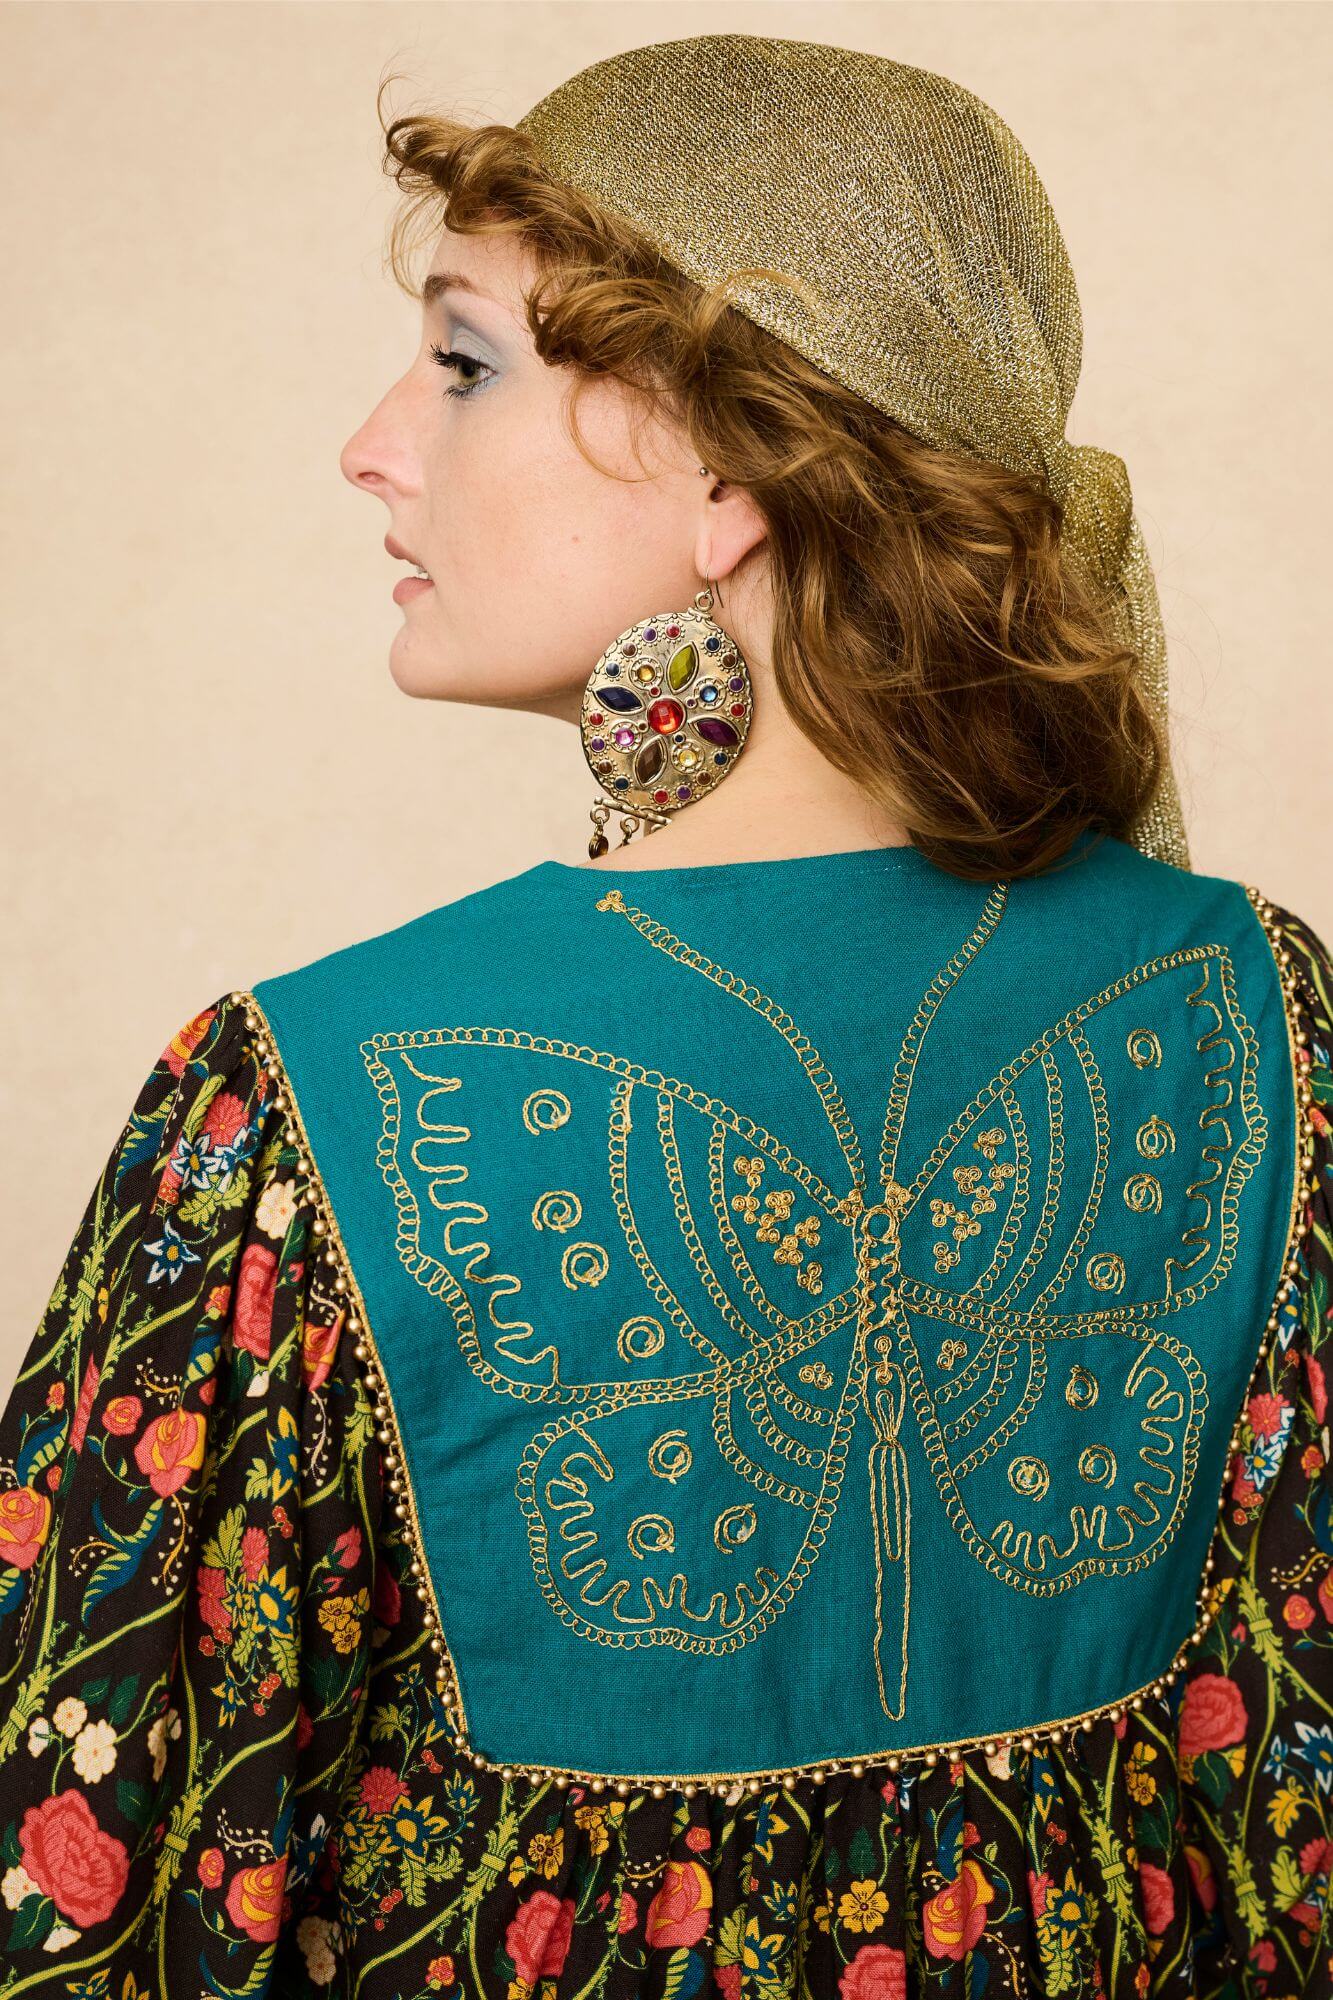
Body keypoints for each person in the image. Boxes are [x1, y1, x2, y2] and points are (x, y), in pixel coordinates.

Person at [1, 32, 1328, 1998]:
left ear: (728, 464)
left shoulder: (299, 1105)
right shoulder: (1260, 1007)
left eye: (462, 360)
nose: (374, 441)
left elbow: (97, 1887)